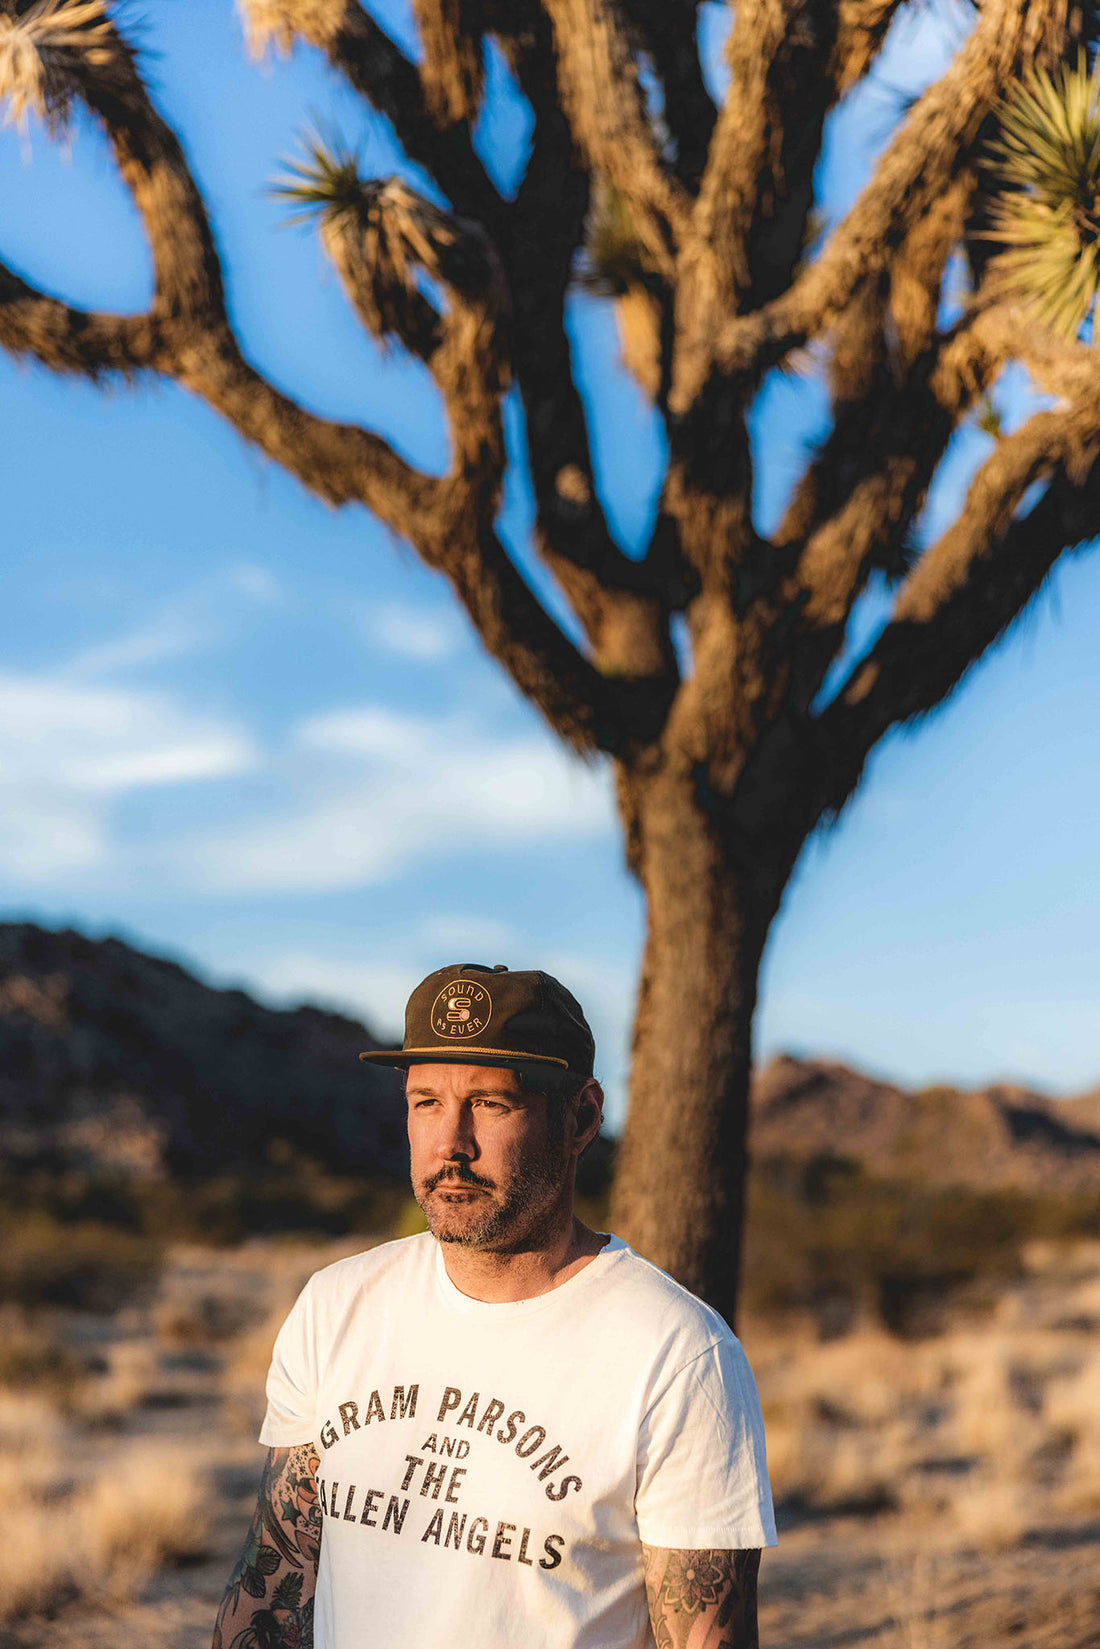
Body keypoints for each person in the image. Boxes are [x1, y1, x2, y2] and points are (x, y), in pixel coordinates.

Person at [212, 962, 776, 1649]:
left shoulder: (679, 1355)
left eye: (491, 1103)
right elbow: (272, 1587)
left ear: (582, 1117)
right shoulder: (338, 1305)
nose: (452, 1143)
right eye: (427, 1102)